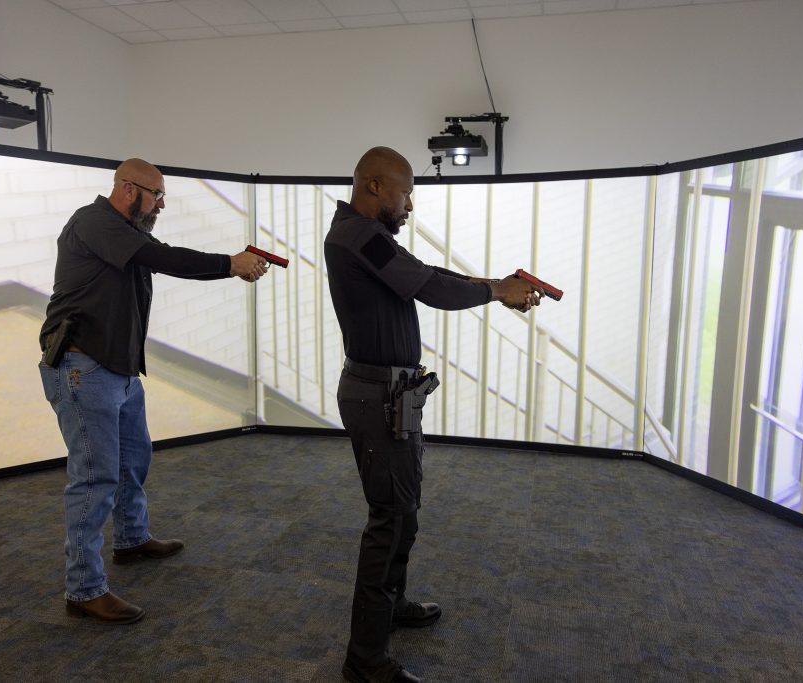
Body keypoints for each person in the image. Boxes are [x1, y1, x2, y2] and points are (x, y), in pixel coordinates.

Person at [324, 147, 542, 683]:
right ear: (374, 186)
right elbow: (429, 287)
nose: (409, 205)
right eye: (405, 193)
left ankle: (392, 604)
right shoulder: (358, 236)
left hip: (392, 395)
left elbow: (424, 273)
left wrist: (493, 285)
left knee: (405, 510)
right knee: (389, 519)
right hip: (377, 397)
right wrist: (497, 291)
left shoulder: (367, 236)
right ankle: (365, 661)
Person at [38, 158, 269, 625]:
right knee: (94, 478)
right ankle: (83, 588)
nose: (161, 204)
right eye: (157, 195)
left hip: (118, 369)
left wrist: (232, 269)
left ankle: (131, 538)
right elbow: (165, 259)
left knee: (133, 459)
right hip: (84, 369)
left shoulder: (128, 232)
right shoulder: (94, 222)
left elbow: (167, 258)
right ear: (128, 189)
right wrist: (230, 263)